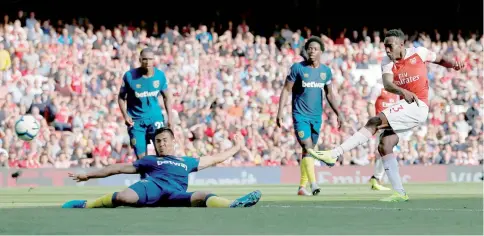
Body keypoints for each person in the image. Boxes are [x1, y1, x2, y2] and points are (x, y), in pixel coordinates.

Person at [308, 29, 464, 202]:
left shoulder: (419, 53)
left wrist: (455, 64)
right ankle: (399, 192)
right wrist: (402, 91)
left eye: (390, 46)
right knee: (385, 144)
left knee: (374, 121)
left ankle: (335, 154)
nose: (387, 51)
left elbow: (440, 59)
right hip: (407, 106)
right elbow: (388, 84)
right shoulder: (387, 62)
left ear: (401, 45)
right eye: (385, 47)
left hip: (419, 105)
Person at [62, 127, 261, 209]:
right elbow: (116, 168)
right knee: (124, 197)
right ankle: (85, 204)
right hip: (152, 186)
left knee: (203, 194)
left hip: (174, 194)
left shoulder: (186, 161)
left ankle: (233, 205)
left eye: (165, 141)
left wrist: (236, 147)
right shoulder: (150, 160)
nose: (161, 144)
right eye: (158, 141)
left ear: (173, 141)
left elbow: (215, 158)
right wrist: (88, 175)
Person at [276, 36, 342, 196]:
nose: (311, 51)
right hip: (300, 116)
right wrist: (280, 111)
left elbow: (330, 95)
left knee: (308, 151)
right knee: (308, 147)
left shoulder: (325, 72)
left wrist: (338, 113)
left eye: (315, 49)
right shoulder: (297, 68)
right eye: (309, 49)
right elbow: (286, 90)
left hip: (316, 117)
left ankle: (301, 187)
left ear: (321, 52)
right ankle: (314, 184)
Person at [118, 48, 173, 179]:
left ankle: (164, 180)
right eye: (145, 59)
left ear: (154, 60)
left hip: (156, 119)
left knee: (163, 152)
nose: (147, 62)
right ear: (140, 60)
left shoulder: (160, 76)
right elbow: (121, 97)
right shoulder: (129, 76)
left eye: (150, 59)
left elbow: (166, 97)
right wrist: (125, 115)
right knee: (142, 158)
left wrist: (170, 117)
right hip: (136, 121)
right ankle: (146, 184)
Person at [367, 80, 399, 191]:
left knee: (386, 152)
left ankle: (376, 179)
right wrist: (373, 122)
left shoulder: (396, 89)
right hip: (381, 124)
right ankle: (376, 178)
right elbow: (370, 104)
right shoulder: (378, 87)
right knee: (386, 150)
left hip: (392, 125)